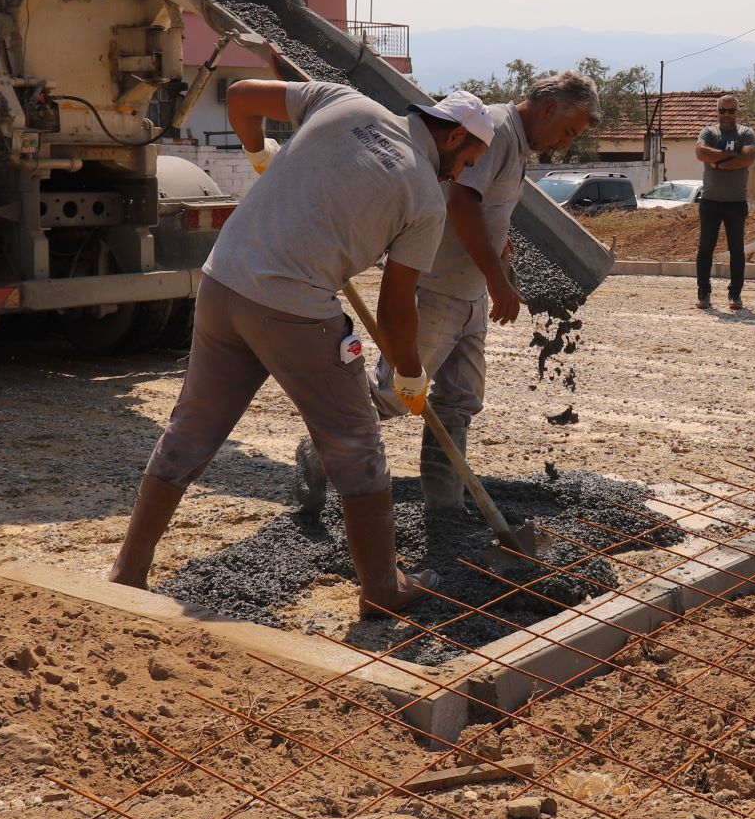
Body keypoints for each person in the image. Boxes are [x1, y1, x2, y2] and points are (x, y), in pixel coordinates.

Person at [108, 82, 492, 616]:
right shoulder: (426, 198)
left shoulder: (346, 101)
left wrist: (256, 152)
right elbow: (397, 303)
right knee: (356, 443)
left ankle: (128, 570)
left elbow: (240, 96)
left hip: (224, 283)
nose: (463, 173)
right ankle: (382, 588)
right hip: (294, 310)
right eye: (468, 159)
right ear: (454, 135)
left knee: (192, 428)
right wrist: (409, 372)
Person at [335, 72, 601, 513]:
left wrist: (500, 249)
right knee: (393, 394)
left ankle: (445, 508)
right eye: (567, 131)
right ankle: (321, 455)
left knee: (459, 402)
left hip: (469, 293)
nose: (565, 143)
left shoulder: (517, 145)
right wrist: (498, 280)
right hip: (438, 288)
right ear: (549, 108)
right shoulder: (495, 131)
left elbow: (487, 208)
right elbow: (461, 202)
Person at [693, 95, 755, 311]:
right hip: (710, 201)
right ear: (718, 111)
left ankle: (735, 294)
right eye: (723, 110)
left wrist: (717, 163)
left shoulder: (746, 133)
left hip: (736, 202)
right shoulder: (708, 132)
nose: (727, 115)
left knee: (736, 250)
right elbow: (700, 152)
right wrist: (730, 156)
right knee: (705, 249)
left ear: (737, 112)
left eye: (731, 111)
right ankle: (703, 293)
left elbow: (747, 158)